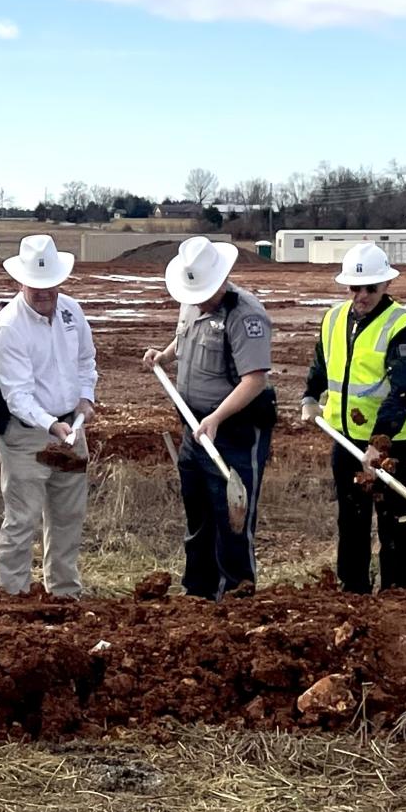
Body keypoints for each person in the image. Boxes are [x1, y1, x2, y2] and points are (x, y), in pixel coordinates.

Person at [143, 237, 274, 600]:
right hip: (195, 427)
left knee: (232, 517)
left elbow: (255, 379)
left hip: (234, 431)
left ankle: (236, 594)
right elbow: (183, 340)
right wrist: (165, 357)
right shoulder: (191, 303)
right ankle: (198, 592)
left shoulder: (244, 315)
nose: (197, 297)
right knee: (198, 514)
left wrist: (216, 418)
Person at [303, 242, 406, 594]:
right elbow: (322, 363)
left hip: (393, 446)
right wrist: (310, 396)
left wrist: (380, 443)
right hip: (346, 441)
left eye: (370, 288)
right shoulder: (333, 320)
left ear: (386, 285)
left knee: (394, 523)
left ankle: (395, 591)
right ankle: (353, 590)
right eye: (354, 288)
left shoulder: (405, 328)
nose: (361, 295)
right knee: (352, 520)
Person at [0, 234, 98, 597]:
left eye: (50, 284)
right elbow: (16, 395)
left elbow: (86, 361)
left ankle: (64, 594)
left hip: (71, 424)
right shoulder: (8, 327)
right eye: (35, 285)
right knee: (23, 517)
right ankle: (12, 595)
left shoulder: (72, 311)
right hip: (26, 432)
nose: (43, 292)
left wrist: (85, 398)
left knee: (68, 515)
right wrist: (50, 424)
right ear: (20, 281)